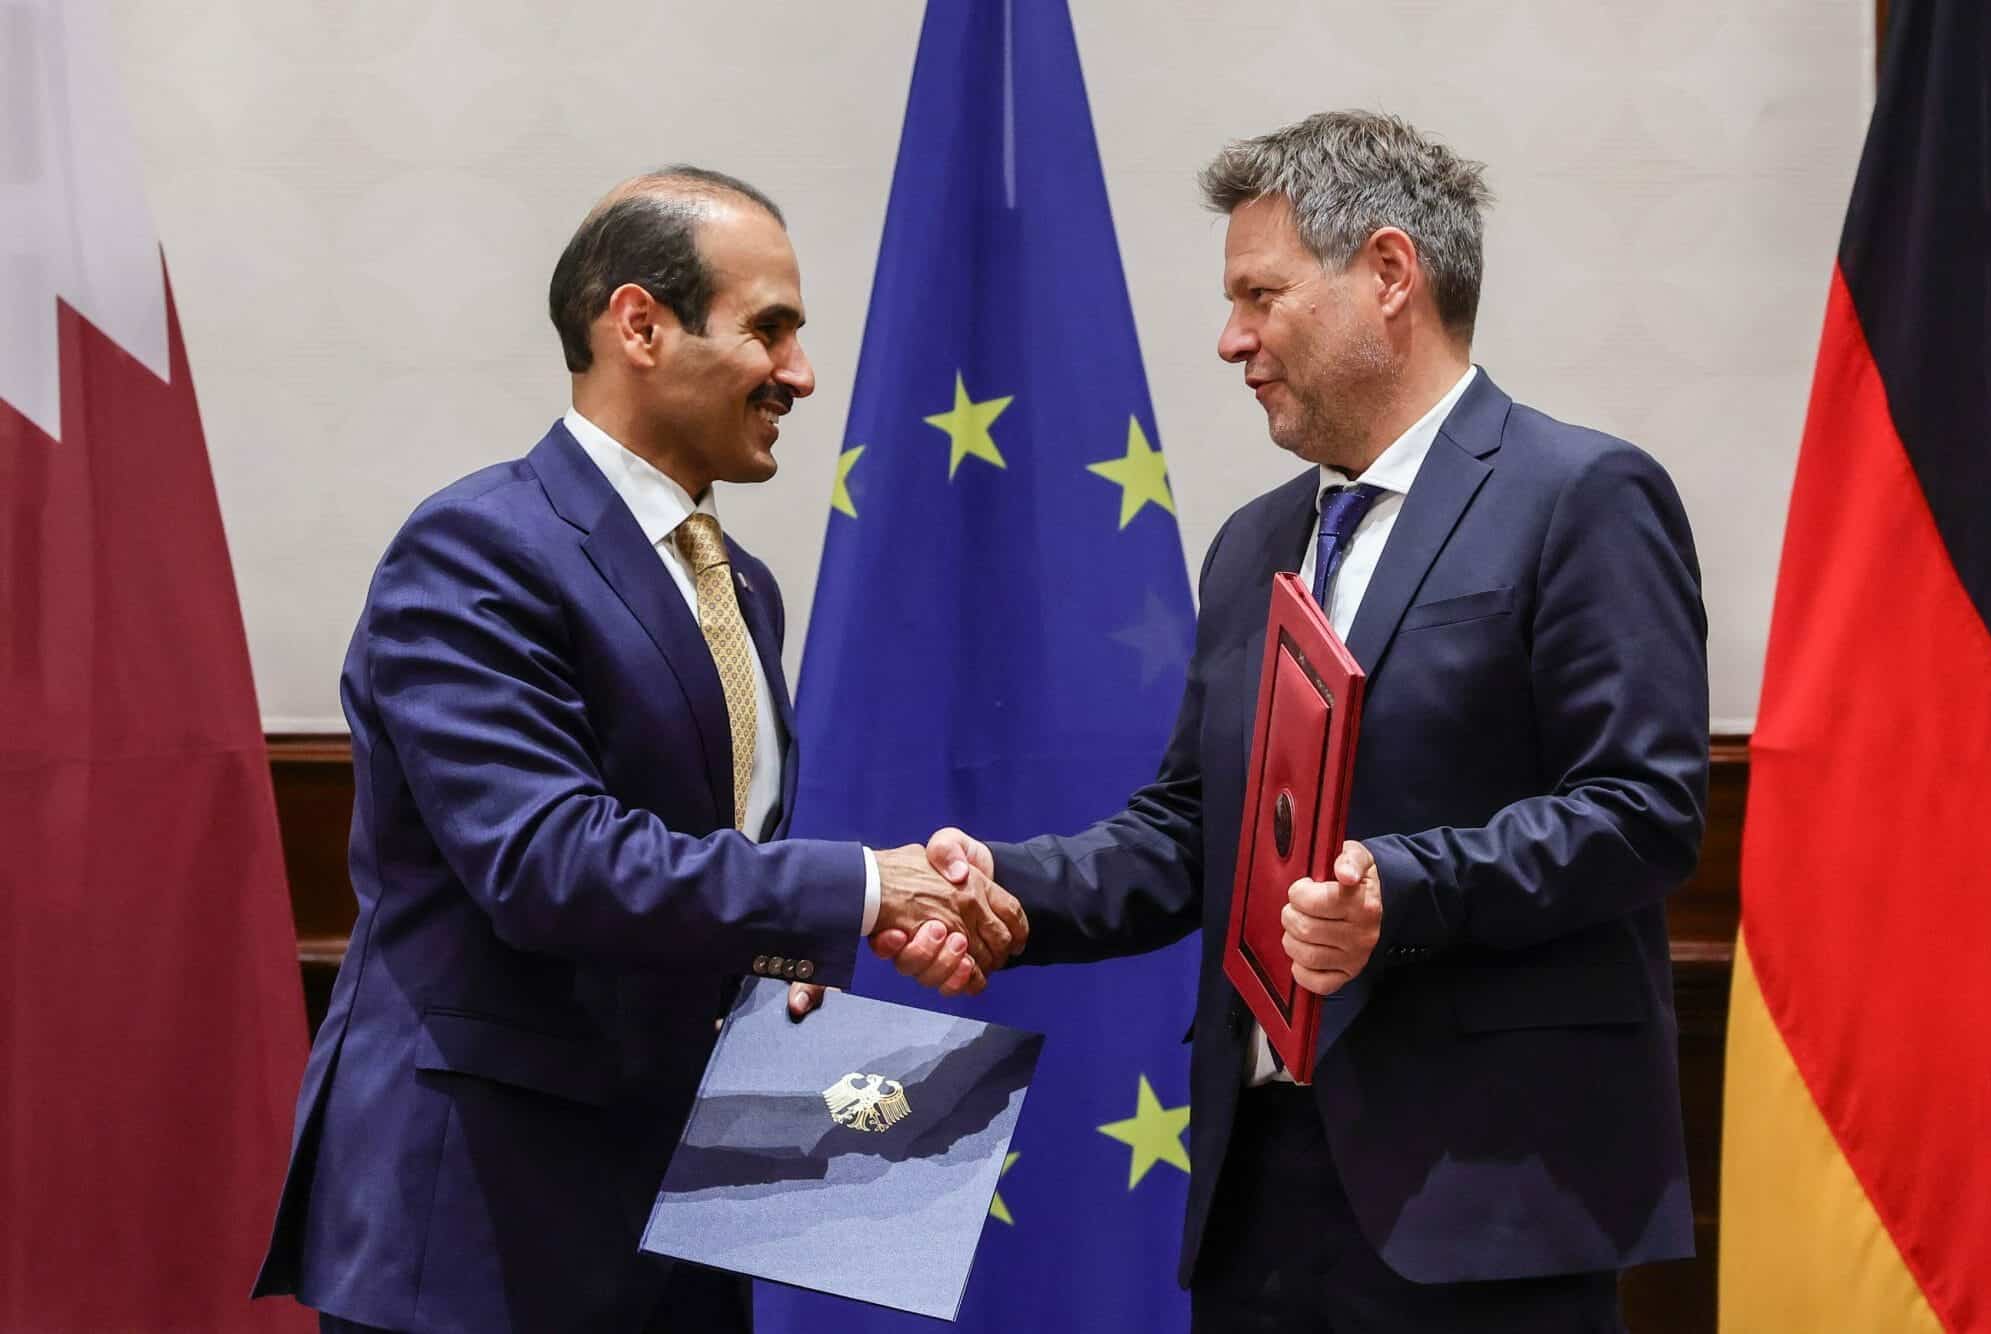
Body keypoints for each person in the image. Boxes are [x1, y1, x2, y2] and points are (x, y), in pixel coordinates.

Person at [888, 111, 1708, 1331]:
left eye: (1259, 295)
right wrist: (1004, 888)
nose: (1231, 339)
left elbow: (1642, 810)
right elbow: (1189, 833)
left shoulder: (1578, 495)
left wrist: (1400, 889)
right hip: (1258, 1194)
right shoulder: (1253, 542)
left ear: (1388, 272)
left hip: (1485, 1197)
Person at [253, 167, 1025, 1334]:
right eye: (769, 328)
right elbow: (547, 863)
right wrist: (865, 887)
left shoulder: (739, 583)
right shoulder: (477, 547)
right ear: (640, 325)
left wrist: (800, 951)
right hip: (484, 1233)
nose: (800, 373)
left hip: (685, 1218)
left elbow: (706, 859)